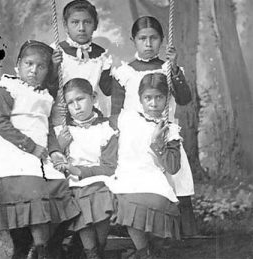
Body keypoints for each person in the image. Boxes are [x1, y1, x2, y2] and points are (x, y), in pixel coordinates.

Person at [0, 40, 80, 259]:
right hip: (14, 149)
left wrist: (54, 151)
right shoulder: (5, 88)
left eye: (41, 67)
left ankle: (41, 248)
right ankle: (33, 249)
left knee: (64, 191)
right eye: (29, 64)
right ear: (18, 64)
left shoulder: (44, 96)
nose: (34, 70)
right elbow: (0, 123)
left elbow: (48, 129)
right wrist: (31, 146)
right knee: (34, 193)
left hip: (40, 153)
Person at [111, 16, 197, 238]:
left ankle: (177, 233)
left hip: (164, 133)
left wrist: (174, 68)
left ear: (162, 40)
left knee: (175, 178)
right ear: (134, 40)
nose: (148, 44)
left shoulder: (169, 69)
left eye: (154, 38)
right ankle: (134, 226)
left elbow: (185, 99)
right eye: (142, 38)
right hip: (134, 139)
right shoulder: (124, 73)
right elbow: (116, 112)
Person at [107, 72, 192, 258]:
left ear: (166, 99)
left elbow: (173, 168)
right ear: (140, 99)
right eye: (148, 98)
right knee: (129, 202)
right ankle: (143, 252)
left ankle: (148, 251)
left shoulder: (169, 129)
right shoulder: (126, 119)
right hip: (127, 173)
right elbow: (99, 128)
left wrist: (157, 142)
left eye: (159, 98)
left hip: (153, 177)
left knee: (159, 204)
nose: (153, 103)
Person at [52, 78, 118, 259]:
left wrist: (80, 171)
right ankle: (92, 252)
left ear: (93, 97)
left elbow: (110, 167)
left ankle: (98, 248)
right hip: (74, 184)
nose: (76, 107)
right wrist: (59, 146)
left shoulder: (107, 128)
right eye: (70, 103)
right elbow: (54, 165)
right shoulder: (64, 131)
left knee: (100, 193)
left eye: (80, 99)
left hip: (102, 179)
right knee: (81, 196)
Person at [51, 0, 113, 119]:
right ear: (65, 25)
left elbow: (108, 90)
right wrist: (54, 67)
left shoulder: (101, 56)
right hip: (63, 114)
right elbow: (47, 85)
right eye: (75, 22)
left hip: (92, 115)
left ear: (95, 25)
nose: (81, 28)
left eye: (87, 22)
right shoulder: (56, 51)